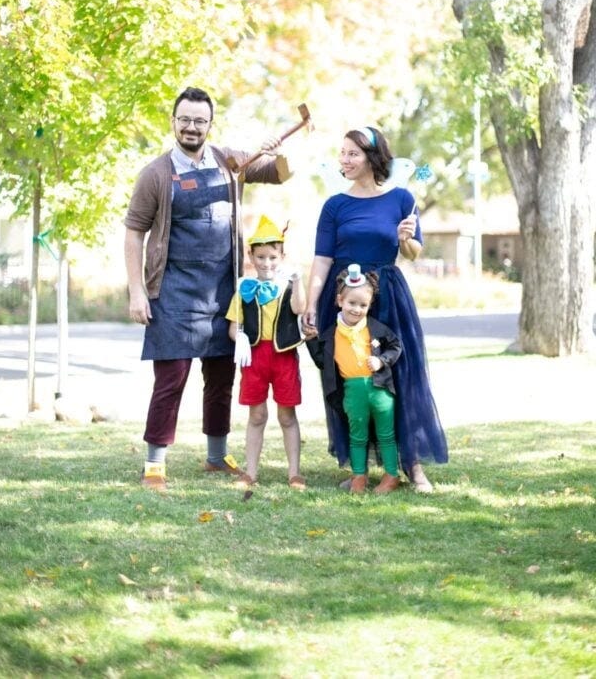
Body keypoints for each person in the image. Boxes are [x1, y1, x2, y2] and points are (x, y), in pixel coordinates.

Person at [124, 87, 291, 490]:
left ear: (209, 124)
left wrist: (274, 148)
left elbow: (281, 173)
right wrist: (136, 291)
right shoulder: (156, 174)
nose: (192, 127)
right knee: (171, 378)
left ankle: (216, 457)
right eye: (185, 119)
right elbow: (134, 234)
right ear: (174, 121)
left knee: (220, 377)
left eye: (200, 120)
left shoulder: (230, 161)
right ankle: (154, 464)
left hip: (222, 292)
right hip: (173, 292)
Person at [303, 126, 448, 492]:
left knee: (400, 378)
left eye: (352, 153)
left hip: (388, 299)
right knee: (354, 380)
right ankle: (360, 469)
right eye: (342, 153)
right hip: (345, 298)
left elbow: (414, 252)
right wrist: (309, 302)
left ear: (372, 157)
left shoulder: (401, 198)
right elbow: (321, 260)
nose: (345, 160)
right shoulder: (335, 205)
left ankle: (412, 467)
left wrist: (406, 239)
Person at [226, 215, 306, 490]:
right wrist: (241, 339)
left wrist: (299, 281)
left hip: (283, 356)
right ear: (251, 256)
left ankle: (294, 473)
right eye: (261, 257)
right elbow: (234, 328)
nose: (266, 262)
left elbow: (299, 309)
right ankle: (250, 472)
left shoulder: (288, 287)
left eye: (272, 257)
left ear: (281, 256)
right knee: (257, 415)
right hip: (254, 359)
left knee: (287, 415)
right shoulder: (243, 290)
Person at [306, 265, 402, 494]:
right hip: (352, 392)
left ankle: (391, 475)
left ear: (369, 306)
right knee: (357, 436)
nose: (357, 309)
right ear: (340, 300)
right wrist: (311, 341)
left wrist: (382, 361)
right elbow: (323, 361)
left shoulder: (376, 329)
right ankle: (359, 476)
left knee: (386, 434)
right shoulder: (330, 334)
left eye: (363, 305)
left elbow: (396, 345)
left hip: (380, 391)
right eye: (352, 303)